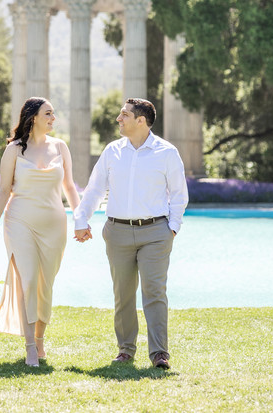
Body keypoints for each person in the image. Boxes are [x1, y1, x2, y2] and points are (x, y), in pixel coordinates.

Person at [74, 97, 188, 370]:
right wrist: (81, 219)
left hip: (156, 233)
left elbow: (179, 195)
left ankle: (160, 353)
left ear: (141, 120)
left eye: (124, 114)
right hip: (118, 232)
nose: (118, 119)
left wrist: (172, 228)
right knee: (123, 294)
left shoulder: (167, 152)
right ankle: (125, 350)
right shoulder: (112, 151)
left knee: (154, 293)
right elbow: (94, 190)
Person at [0, 97, 81, 367]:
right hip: (19, 222)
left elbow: (70, 187)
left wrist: (81, 218)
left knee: (44, 284)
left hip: (54, 224)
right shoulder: (14, 150)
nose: (53, 118)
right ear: (33, 117)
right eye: (48, 114)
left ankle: (39, 340)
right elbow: (4, 190)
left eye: (53, 114)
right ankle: (29, 347)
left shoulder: (60, 147)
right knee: (28, 279)